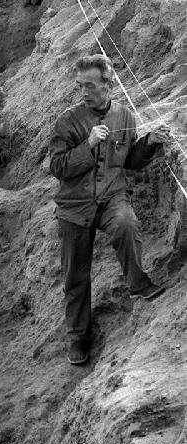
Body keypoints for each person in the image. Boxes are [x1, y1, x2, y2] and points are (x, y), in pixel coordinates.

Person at [49, 54, 172, 365]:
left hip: (113, 196)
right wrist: (86, 146)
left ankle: (138, 283)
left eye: (90, 86)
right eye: (80, 86)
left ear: (108, 84)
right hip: (76, 206)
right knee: (76, 273)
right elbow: (58, 167)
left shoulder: (125, 117)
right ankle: (78, 336)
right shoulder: (67, 121)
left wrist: (149, 143)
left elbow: (129, 161)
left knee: (126, 223)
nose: (84, 92)